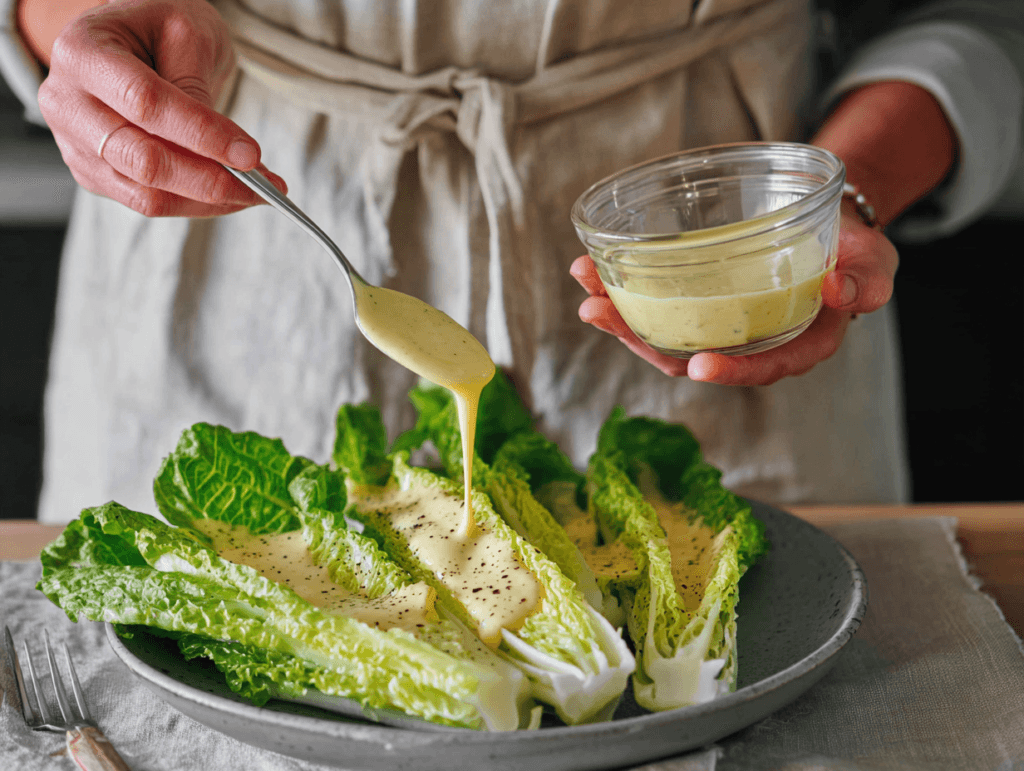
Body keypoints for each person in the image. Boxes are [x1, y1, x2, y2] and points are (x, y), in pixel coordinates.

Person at [1, 0, 1021, 523]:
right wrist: (80, 34)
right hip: (235, 239)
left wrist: (835, 200)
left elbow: (979, 19)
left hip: (725, 236)